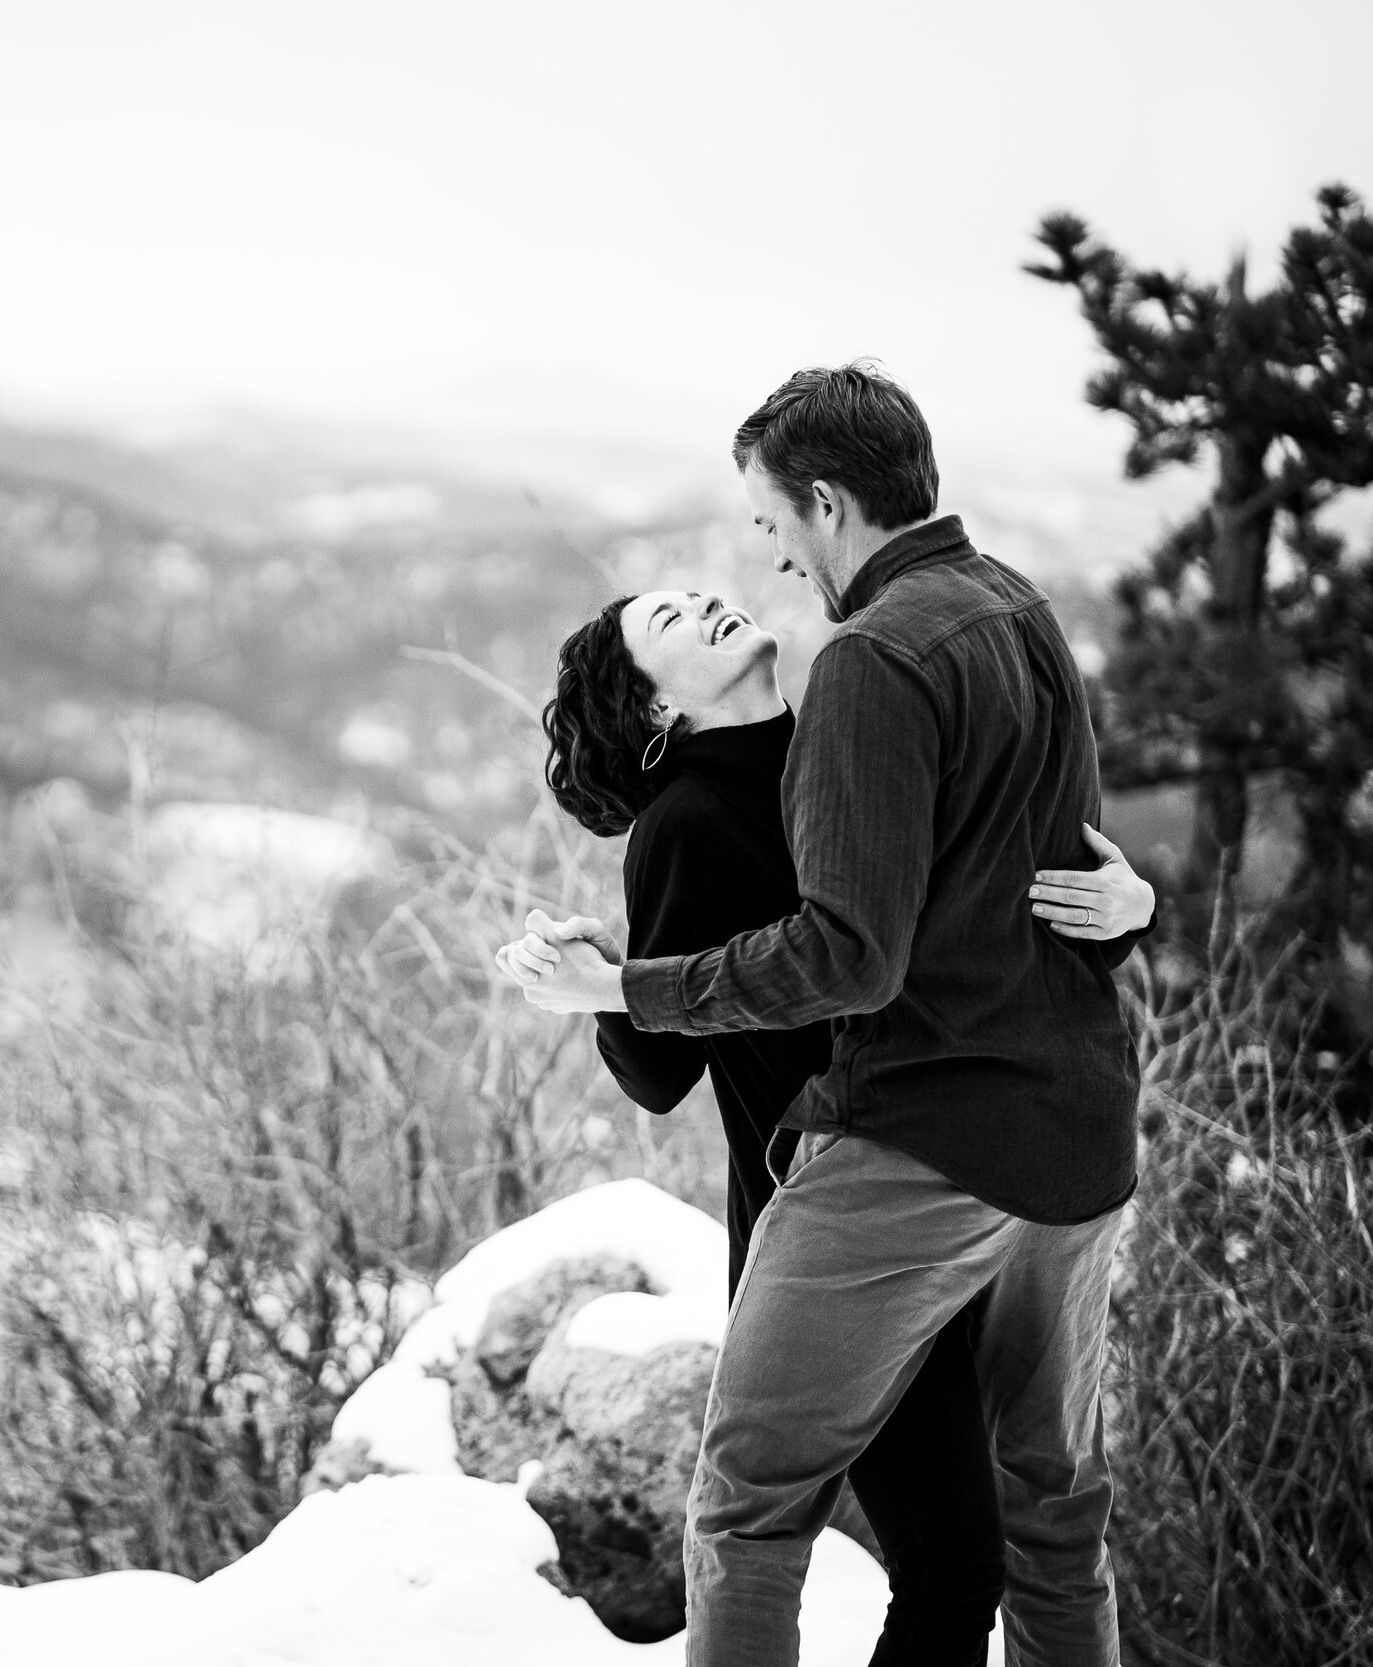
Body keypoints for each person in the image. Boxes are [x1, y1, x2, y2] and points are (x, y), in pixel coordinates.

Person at [501, 362, 1149, 1667]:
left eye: (765, 519)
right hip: (1058, 1140)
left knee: (757, 1521)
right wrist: (616, 989)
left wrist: (1135, 900)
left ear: (827, 505)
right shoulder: (1014, 611)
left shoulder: (860, 677)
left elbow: (861, 951)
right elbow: (1010, 868)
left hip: (910, 1161)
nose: (757, 555)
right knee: (1035, 1531)